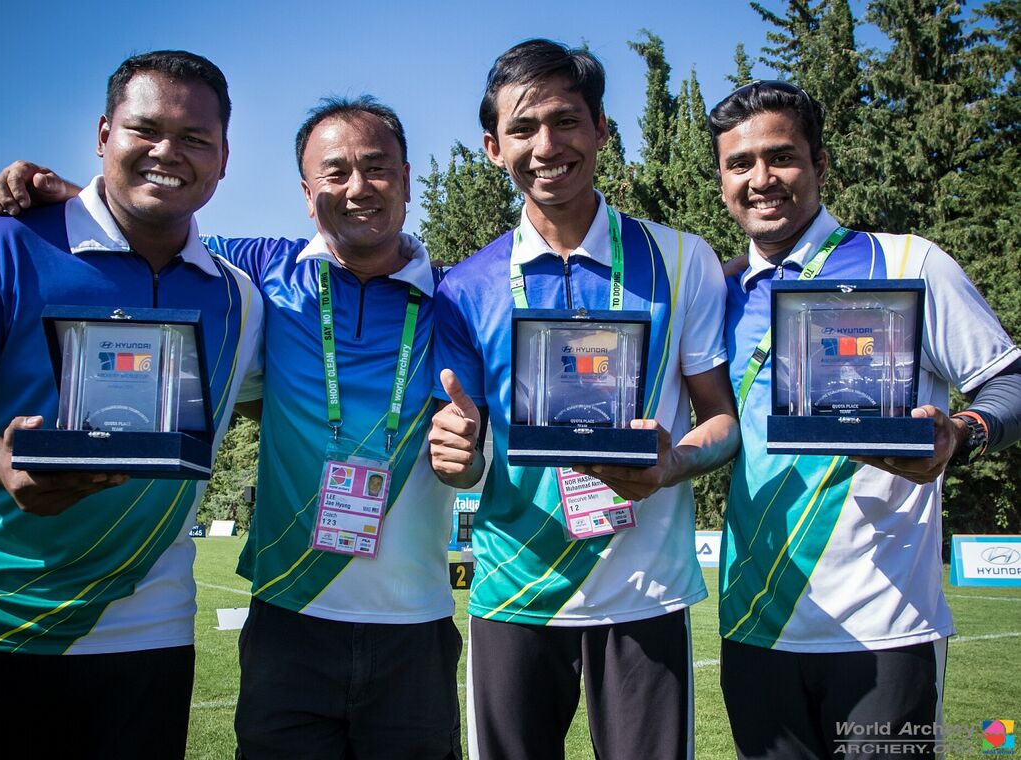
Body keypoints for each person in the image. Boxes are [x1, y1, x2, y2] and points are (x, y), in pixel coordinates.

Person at [0, 96, 461, 759]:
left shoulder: (457, 298)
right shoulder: (260, 269)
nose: (358, 188)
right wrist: (71, 197)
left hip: (416, 622)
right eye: (335, 172)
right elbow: (152, 229)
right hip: (288, 618)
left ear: (405, 178)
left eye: (376, 168)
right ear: (307, 193)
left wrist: (472, 454)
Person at [0, 50, 264, 760]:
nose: (167, 152)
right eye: (145, 129)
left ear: (223, 159)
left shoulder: (239, 294)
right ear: (103, 135)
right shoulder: (0, 245)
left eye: (194, 138)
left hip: (147, 632)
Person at [429, 39, 739, 760]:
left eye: (566, 121)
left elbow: (722, 421)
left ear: (602, 129)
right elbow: (465, 457)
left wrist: (674, 463)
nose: (547, 146)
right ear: (493, 147)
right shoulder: (465, 287)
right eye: (523, 128)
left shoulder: (682, 258)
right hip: (513, 594)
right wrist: (458, 460)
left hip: (645, 594)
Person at [709, 80, 1021, 760]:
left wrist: (960, 433)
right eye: (740, 164)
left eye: (781, 157)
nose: (761, 179)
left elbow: (1010, 379)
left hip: (886, 628)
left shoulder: (910, 261)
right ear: (723, 179)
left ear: (820, 164)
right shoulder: (716, 293)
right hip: (754, 627)